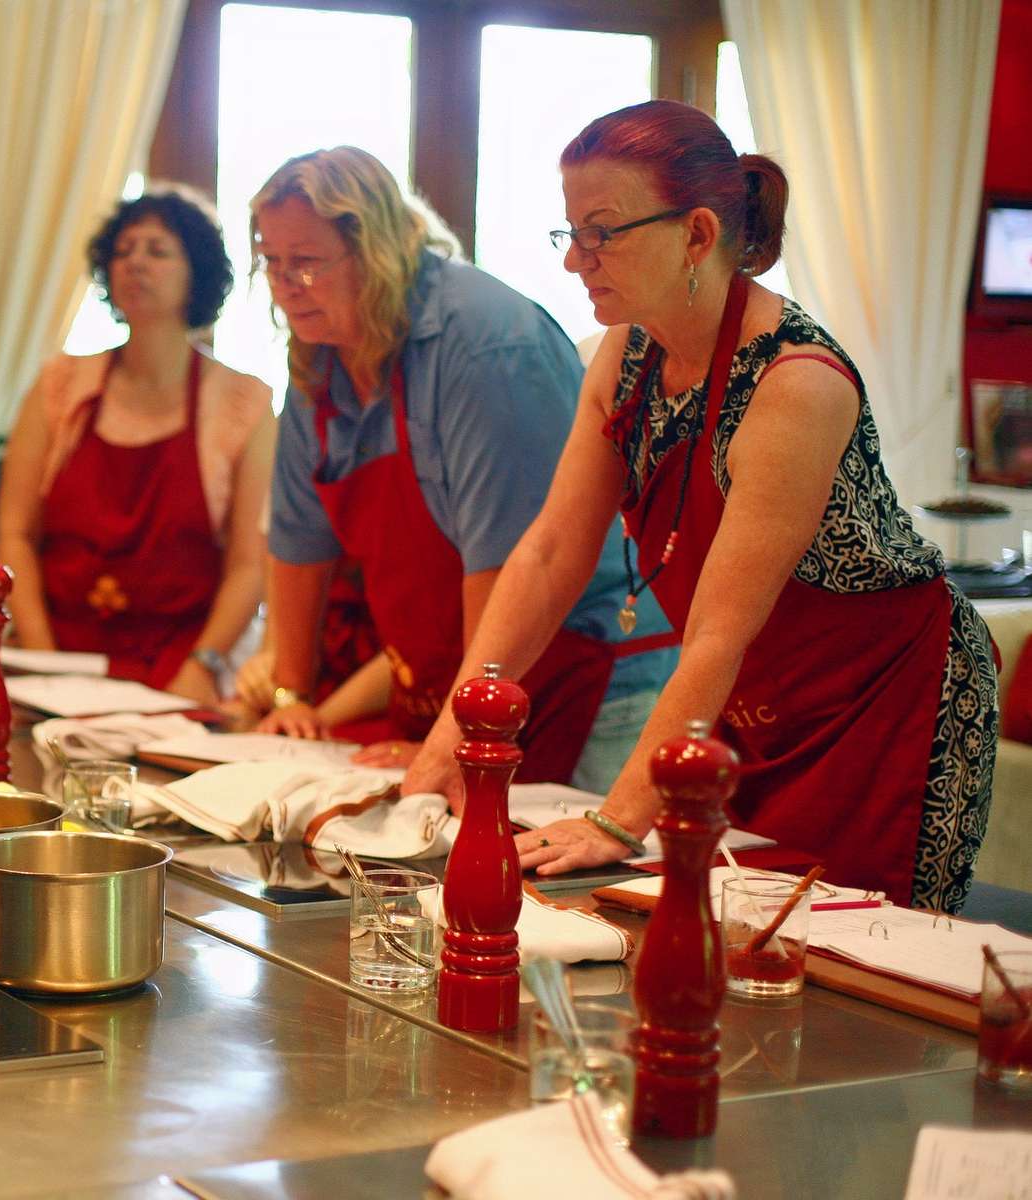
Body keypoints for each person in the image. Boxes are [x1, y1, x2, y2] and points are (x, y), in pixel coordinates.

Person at [403, 100, 997, 911]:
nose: (579, 260)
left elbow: (719, 632)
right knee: (732, 931)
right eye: (570, 231)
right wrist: (454, 738)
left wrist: (616, 825)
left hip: (880, 710)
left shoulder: (795, 385)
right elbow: (548, 555)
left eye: (603, 231)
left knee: (851, 960)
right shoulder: (629, 352)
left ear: (698, 234)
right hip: (751, 710)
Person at [253, 147, 673, 784]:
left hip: (587, 678)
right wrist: (291, 701)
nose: (286, 286)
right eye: (273, 263)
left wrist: (458, 737)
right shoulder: (319, 354)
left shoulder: (484, 341)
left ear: (375, 251)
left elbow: (516, 563)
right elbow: (297, 543)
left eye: (306, 263)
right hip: (471, 685)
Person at [0, 186, 276, 704]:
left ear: (198, 273)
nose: (135, 264)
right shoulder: (58, 385)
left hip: (179, 665)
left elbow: (248, 565)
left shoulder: (245, 401)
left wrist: (203, 663)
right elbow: (14, 534)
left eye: (158, 251)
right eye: (123, 251)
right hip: (56, 656)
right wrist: (43, 659)